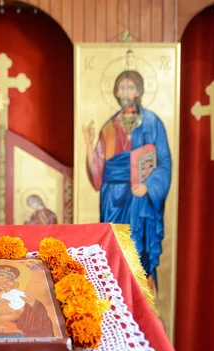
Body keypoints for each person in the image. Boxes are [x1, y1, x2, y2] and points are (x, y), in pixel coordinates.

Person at [83, 70, 172, 289]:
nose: (126, 92)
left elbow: (164, 161)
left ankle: (141, 302)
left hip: (139, 196)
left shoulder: (152, 123)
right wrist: (88, 144)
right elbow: (98, 173)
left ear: (139, 91)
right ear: (115, 92)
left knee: (137, 251)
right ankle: (115, 297)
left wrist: (149, 187)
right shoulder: (110, 126)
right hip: (112, 197)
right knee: (113, 251)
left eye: (130, 87)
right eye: (121, 88)